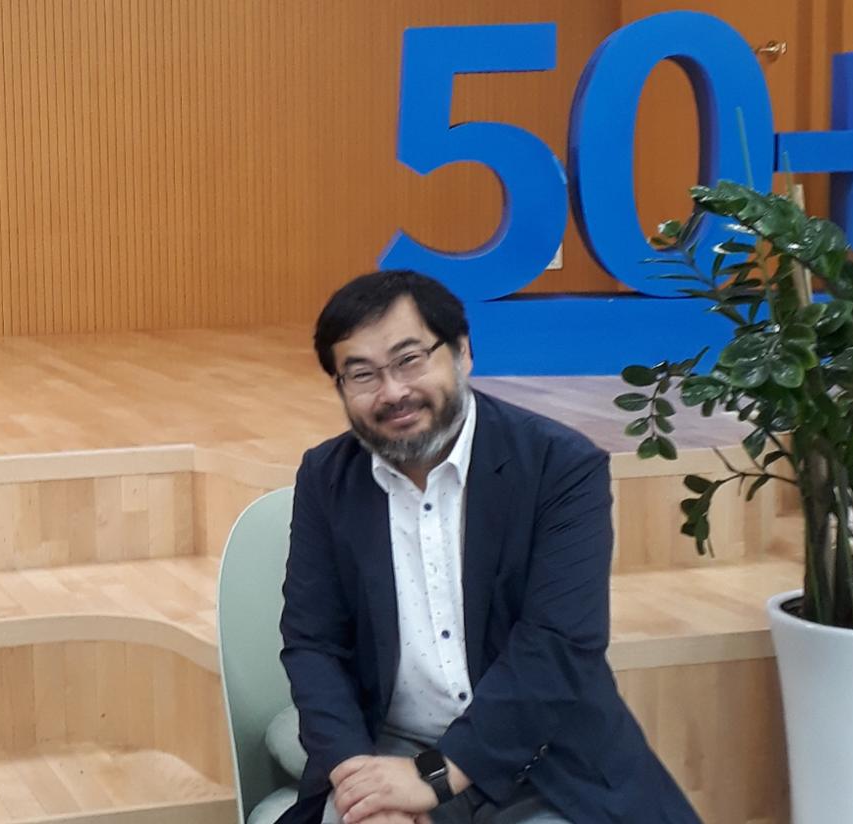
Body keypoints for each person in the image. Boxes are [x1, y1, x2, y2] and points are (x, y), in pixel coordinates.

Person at [278, 270, 702, 824]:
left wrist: (437, 775)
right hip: (389, 743)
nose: (393, 392)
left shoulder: (560, 466)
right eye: (362, 374)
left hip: (540, 752)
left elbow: (558, 645)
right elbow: (313, 644)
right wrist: (359, 781)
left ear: (462, 353)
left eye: (410, 360)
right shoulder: (326, 478)